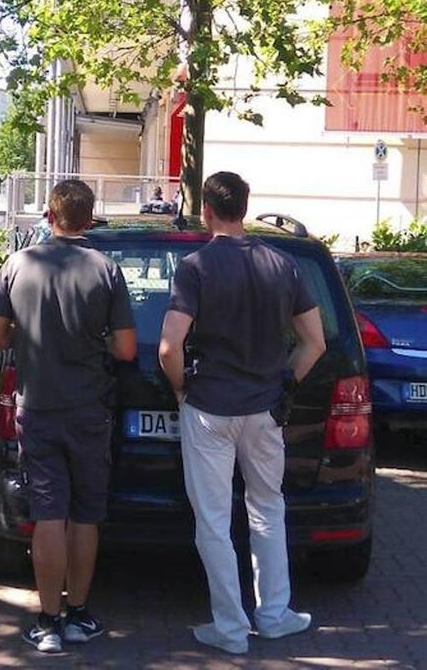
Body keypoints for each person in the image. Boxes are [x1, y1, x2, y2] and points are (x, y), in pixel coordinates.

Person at [158, 171, 326, 655]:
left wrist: (182, 389)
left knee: (212, 520)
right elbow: (314, 342)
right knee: (267, 508)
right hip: (265, 408)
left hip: (210, 406)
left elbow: (170, 347)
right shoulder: (284, 265)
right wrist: (285, 383)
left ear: (206, 210)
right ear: (246, 209)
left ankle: (229, 628)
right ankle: (275, 614)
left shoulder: (196, 266)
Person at [0, 179, 136, 654]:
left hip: (37, 407)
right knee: (86, 515)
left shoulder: (19, 264)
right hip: (89, 408)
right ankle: (79, 614)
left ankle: (46, 620)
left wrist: (23, 339)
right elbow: (126, 347)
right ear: (90, 217)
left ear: (50, 215)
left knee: (49, 514)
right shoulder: (106, 270)